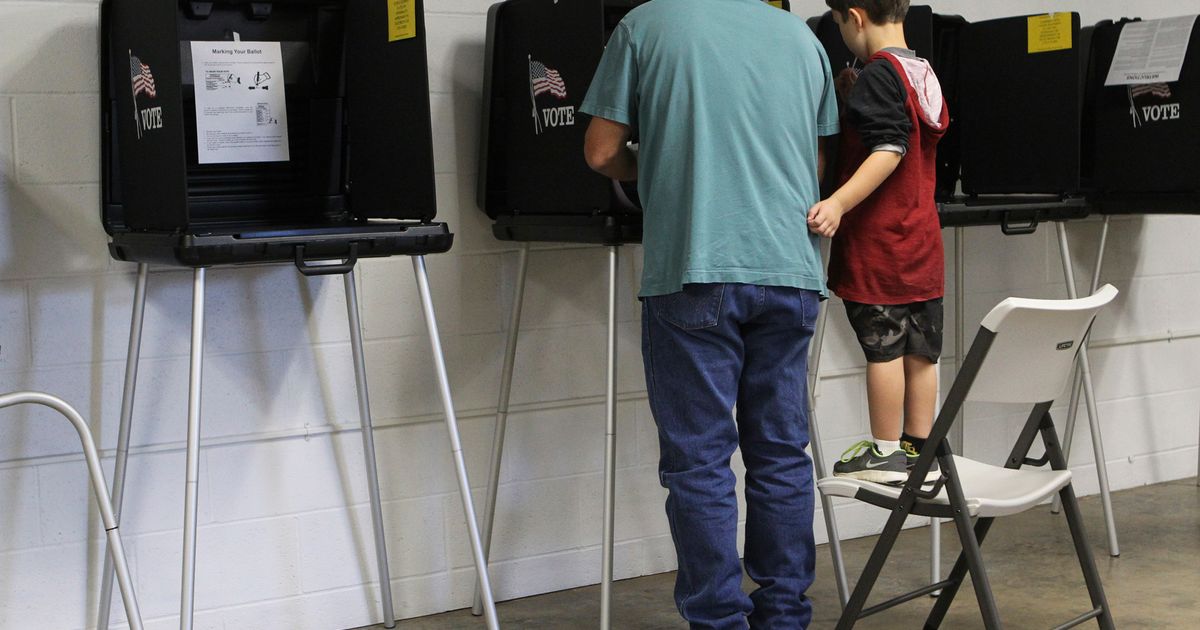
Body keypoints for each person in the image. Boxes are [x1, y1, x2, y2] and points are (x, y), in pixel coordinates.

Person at [579, 1, 838, 628]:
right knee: (781, 453)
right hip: (789, 270)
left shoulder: (645, 25)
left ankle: (719, 620)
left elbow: (600, 151)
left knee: (699, 463)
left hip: (696, 267)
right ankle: (783, 615)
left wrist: (664, 164)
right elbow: (819, 161)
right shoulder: (803, 39)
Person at [806, 0, 949, 484]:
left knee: (883, 351)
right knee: (921, 351)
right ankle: (917, 447)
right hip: (921, 243)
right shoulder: (920, 70)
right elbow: (906, 127)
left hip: (880, 245)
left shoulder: (878, 75)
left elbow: (889, 148)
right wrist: (856, 96)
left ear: (855, 17)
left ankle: (885, 452)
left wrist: (839, 203)